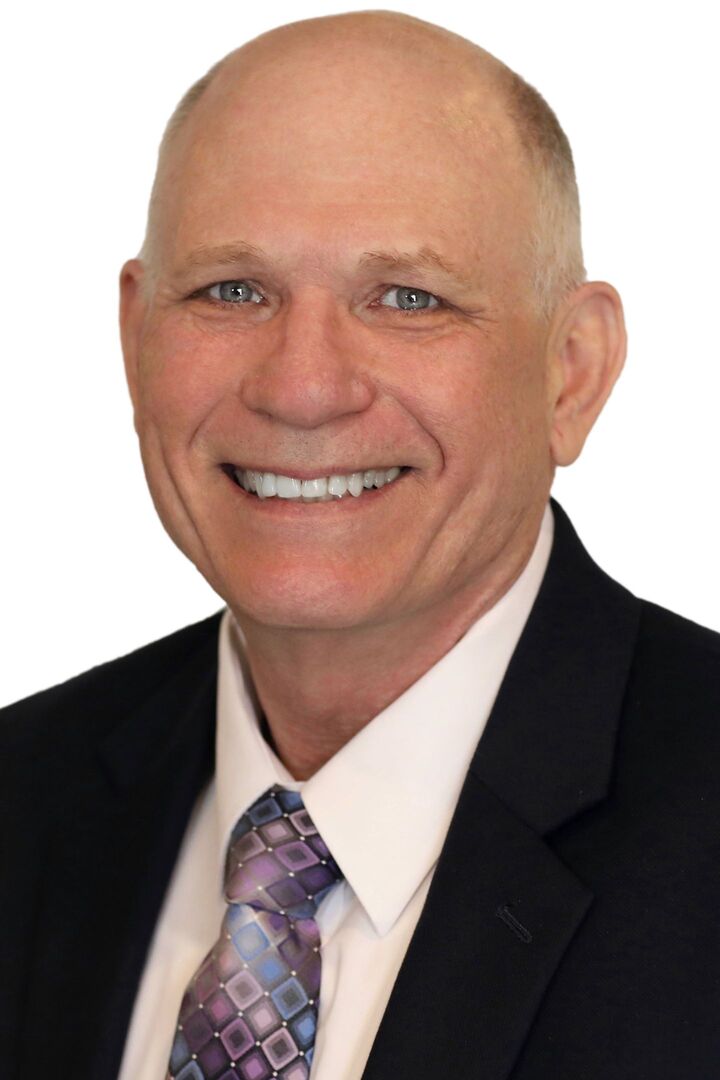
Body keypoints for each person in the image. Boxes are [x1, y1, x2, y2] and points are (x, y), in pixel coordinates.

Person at [1, 10, 719, 1080]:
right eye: (232, 290)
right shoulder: (22, 798)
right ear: (135, 335)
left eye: (408, 298)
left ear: (571, 372)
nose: (302, 387)